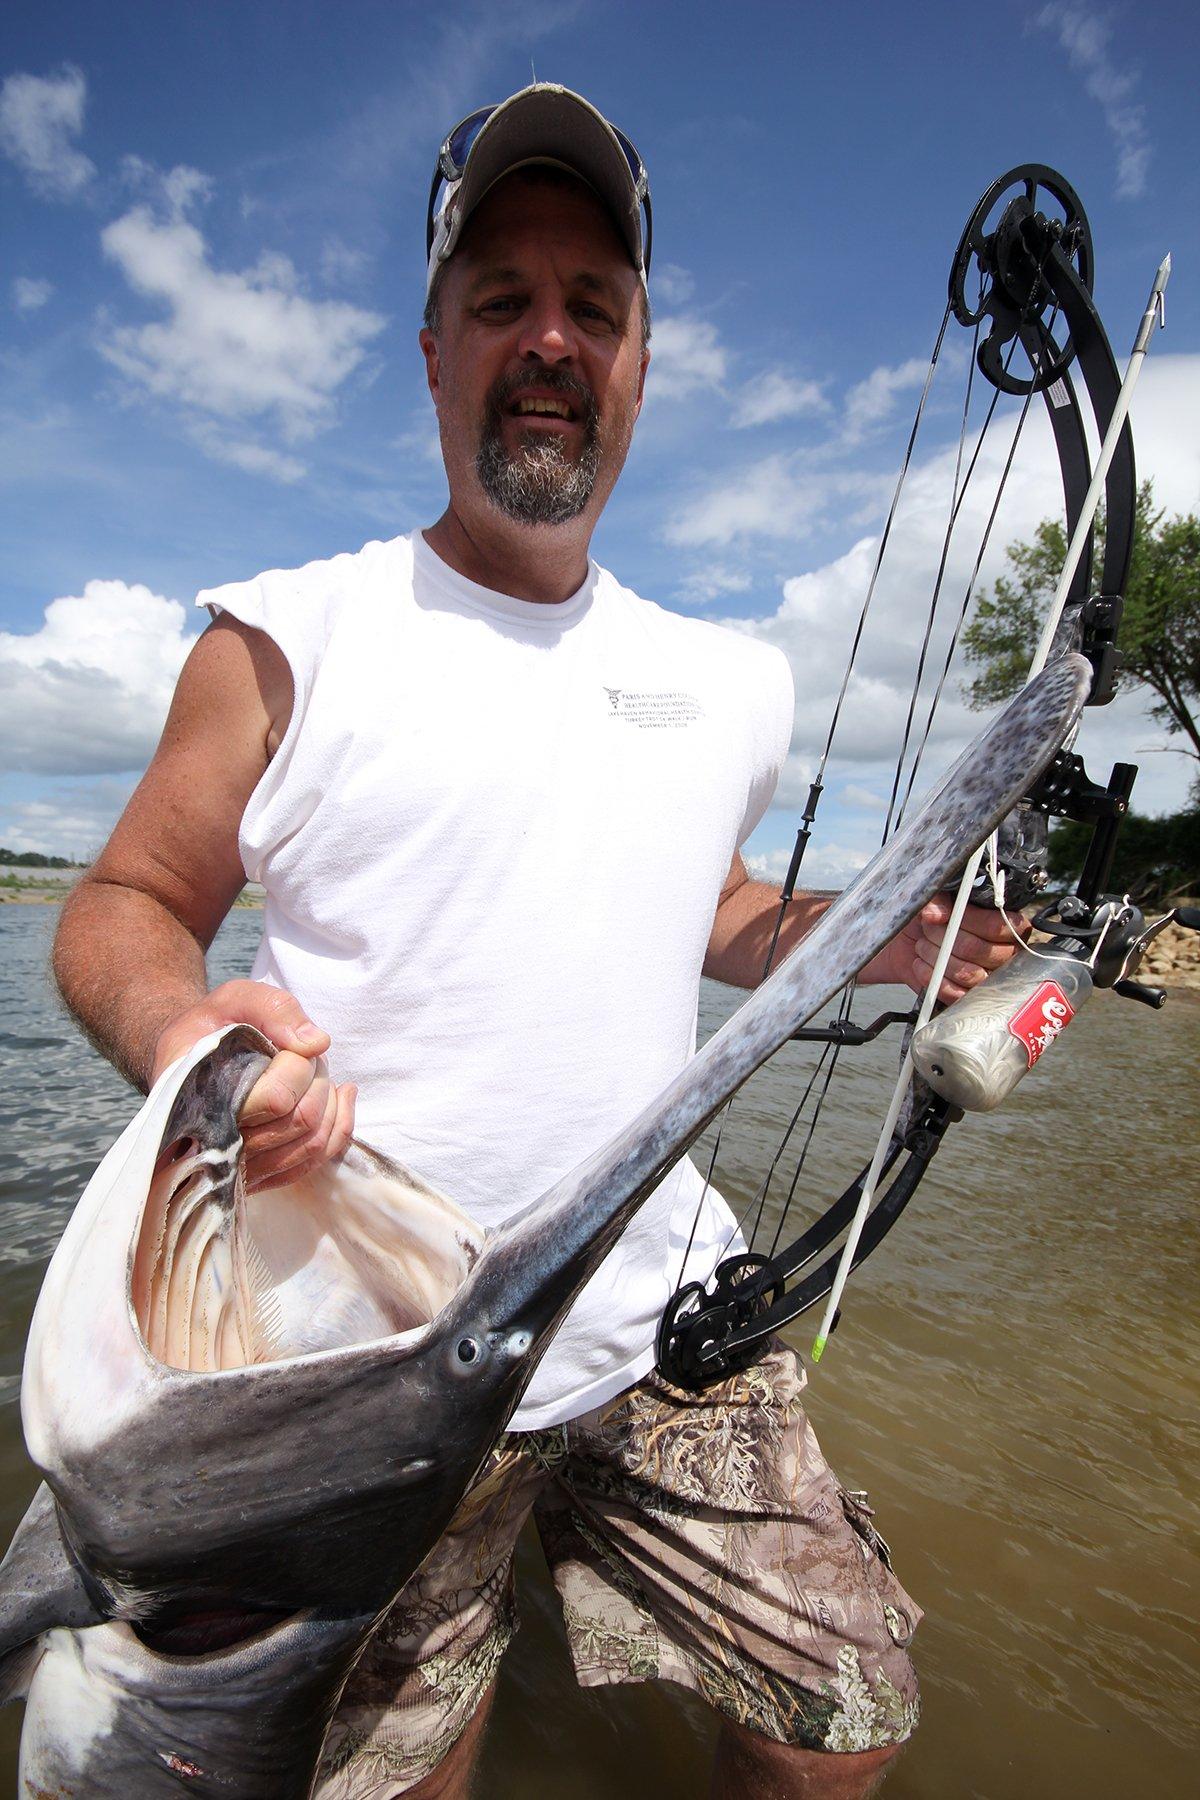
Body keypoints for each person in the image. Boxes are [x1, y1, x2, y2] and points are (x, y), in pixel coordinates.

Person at [53, 84, 1024, 1800]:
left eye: (596, 308)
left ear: (644, 360)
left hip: (666, 1323)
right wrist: (197, 1039)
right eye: (504, 300)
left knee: (844, 1720)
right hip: (372, 1368)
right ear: (433, 350)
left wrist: (885, 941)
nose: (552, 341)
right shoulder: (285, 639)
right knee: (401, 1776)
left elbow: (713, 912)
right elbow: (124, 905)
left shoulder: (731, 678)